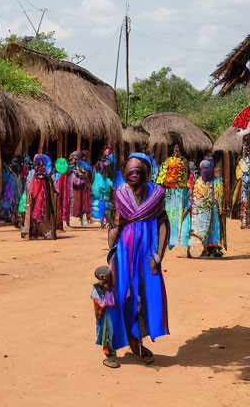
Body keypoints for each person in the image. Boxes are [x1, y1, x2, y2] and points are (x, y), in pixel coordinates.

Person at [105, 153, 169, 366]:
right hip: (124, 255)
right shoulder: (120, 194)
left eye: (137, 172)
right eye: (130, 172)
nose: (133, 175)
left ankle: (136, 342)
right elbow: (117, 223)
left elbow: (163, 223)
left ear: (146, 174)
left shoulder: (156, 195)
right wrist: (112, 257)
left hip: (147, 256)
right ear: (124, 174)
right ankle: (110, 348)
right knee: (119, 295)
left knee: (142, 298)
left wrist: (159, 254)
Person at [183, 160, 226, 258]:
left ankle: (211, 249)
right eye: (204, 170)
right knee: (204, 231)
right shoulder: (201, 182)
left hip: (207, 213)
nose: (206, 172)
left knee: (212, 230)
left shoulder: (206, 181)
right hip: (201, 213)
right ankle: (203, 249)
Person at [155, 140, 190, 249]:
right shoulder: (168, 161)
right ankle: (169, 239)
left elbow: (185, 177)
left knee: (178, 216)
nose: (176, 149)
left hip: (180, 192)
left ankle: (175, 239)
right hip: (170, 192)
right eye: (175, 147)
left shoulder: (184, 162)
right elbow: (161, 177)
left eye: (178, 147)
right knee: (170, 215)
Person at [21, 154, 58, 239]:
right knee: (42, 215)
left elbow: (28, 188)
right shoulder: (45, 177)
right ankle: (42, 233)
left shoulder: (32, 174)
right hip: (42, 200)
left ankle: (34, 233)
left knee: (34, 215)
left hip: (33, 199)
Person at [91, 265, 117, 368]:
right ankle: (109, 356)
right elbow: (99, 305)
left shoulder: (114, 285)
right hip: (106, 315)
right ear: (103, 277)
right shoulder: (98, 290)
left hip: (114, 313)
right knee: (107, 334)